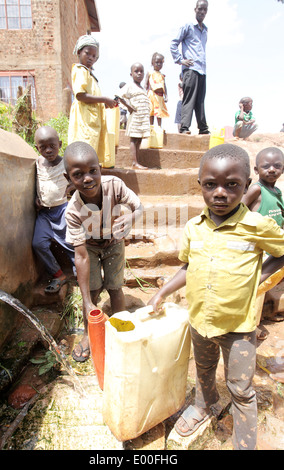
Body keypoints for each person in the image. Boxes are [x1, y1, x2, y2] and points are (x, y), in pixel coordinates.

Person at [148, 143, 284, 450]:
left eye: (231, 185)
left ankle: (244, 442)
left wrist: (260, 278)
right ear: (200, 186)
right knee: (204, 368)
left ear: (247, 186)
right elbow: (187, 265)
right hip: (200, 319)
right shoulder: (194, 227)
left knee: (240, 387)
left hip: (238, 327)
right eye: (211, 185)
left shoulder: (256, 226)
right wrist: (163, 291)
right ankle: (204, 403)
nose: (220, 193)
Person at [63, 141, 143, 362]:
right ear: (67, 178)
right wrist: (86, 299)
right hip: (89, 248)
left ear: (100, 169)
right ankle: (89, 335)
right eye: (78, 175)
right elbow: (80, 255)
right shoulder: (73, 211)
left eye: (93, 171)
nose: (87, 178)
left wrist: (131, 217)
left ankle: (121, 330)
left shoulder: (115, 185)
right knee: (94, 293)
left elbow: (139, 207)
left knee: (115, 288)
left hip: (114, 243)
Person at [242, 147, 284, 339]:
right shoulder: (257, 189)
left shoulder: (277, 192)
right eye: (266, 166)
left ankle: (260, 317)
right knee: (254, 289)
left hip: (272, 247)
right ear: (256, 170)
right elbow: (239, 210)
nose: (272, 169)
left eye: (277, 165)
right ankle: (251, 324)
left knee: (260, 288)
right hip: (256, 248)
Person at [32, 126, 76, 294]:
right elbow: (38, 183)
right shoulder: (37, 163)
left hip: (63, 210)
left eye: (52, 145)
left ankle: (82, 274)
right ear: (37, 148)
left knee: (71, 243)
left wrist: (73, 186)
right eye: (43, 147)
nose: (48, 150)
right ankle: (58, 274)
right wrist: (37, 197)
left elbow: (78, 177)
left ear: (60, 144)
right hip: (44, 213)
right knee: (38, 243)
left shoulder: (66, 162)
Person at [67, 35, 117, 168]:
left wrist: (103, 103)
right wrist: (104, 99)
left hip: (92, 120)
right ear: (79, 52)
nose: (90, 58)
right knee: (84, 150)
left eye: (94, 56)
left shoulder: (90, 75)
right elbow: (81, 95)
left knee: (90, 151)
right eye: (87, 53)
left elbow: (91, 96)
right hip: (85, 120)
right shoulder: (80, 70)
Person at [170, 0, 209, 135]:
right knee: (189, 98)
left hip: (202, 69)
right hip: (190, 69)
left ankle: (203, 128)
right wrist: (180, 60)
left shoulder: (205, 30)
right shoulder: (188, 26)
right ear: (195, 10)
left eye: (205, 10)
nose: (202, 12)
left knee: (200, 99)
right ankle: (185, 127)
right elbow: (174, 43)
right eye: (200, 9)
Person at [117, 63, 151, 170]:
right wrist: (129, 107)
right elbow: (118, 96)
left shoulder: (142, 88)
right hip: (135, 117)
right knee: (134, 139)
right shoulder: (129, 86)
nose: (139, 73)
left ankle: (137, 161)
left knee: (139, 139)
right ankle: (134, 162)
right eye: (136, 71)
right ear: (131, 74)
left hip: (142, 118)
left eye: (141, 71)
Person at [145, 52, 169, 127]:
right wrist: (144, 93)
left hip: (160, 96)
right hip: (152, 94)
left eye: (160, 63)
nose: (159, 64)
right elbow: (145, 84)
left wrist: (166, 95)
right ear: (152, 63)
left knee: (159, 111)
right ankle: (151, 126)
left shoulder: (162, 75)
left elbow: (164, 86)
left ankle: (159, 126)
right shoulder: (150, 73)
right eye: (157, 62)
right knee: (151, 111)